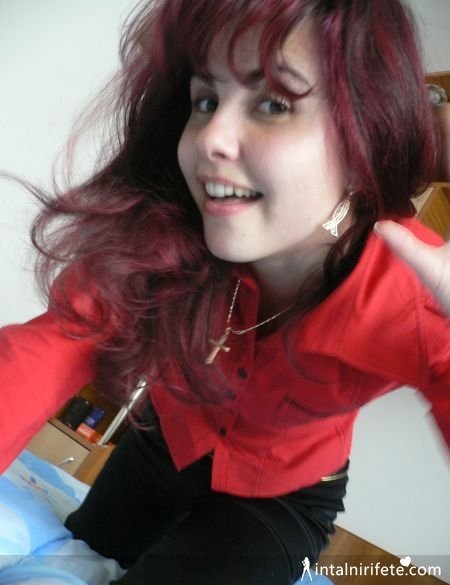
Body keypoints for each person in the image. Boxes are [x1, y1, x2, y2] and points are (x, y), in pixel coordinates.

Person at [0, 1, 449, 584]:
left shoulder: (413, 292)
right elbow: (43, 352)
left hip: (282, 496)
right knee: (81, 553)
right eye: (206, 100)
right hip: (165, 443)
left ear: (365, 138)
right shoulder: (159, 236)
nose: (210, 137)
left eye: (275, 103)